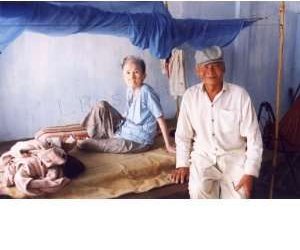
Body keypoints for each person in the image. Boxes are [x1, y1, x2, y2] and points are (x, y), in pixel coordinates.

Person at [171, 46, 263, 199]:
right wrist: (182, 164)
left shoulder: (240, 95)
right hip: (203, 157)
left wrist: (250, 173)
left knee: (241, 196)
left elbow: (254, 138)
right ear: (197, 71)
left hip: (234, 158)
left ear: (224, 68)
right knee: (198, 190)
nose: (211, 71)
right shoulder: (190, 97)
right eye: (205, 67)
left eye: (216, 66)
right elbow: (183, 135)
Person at [79, 55, 175, 154]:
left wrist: (168, 145)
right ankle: (100, 136)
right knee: (102, 106)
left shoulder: (147, 92)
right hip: (124, 129)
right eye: (128, 73)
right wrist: (116, 121)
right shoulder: (129, 90)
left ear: (143, 76)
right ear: (123, 75)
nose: (131, 76)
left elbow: (160, 118)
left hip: (138, 140)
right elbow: (129, 112)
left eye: (136, 72)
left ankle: (97, 140)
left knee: (85, 145)